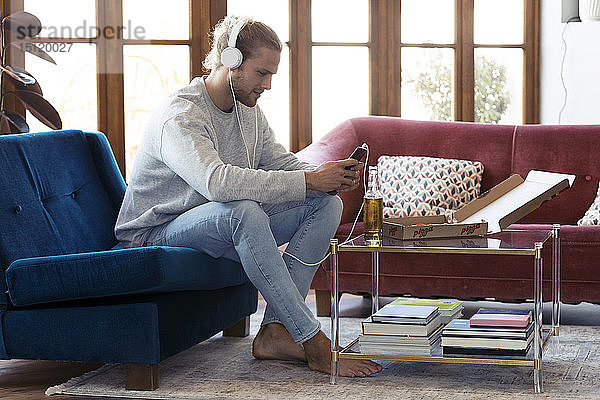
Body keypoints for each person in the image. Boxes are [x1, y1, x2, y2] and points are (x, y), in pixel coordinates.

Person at [115, 15, 381, 378]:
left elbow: (278, 161)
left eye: (272, 74)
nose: (268, 84)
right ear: (231, 61)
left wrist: (326, 177)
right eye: (262, 73)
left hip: (212, 225)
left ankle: (274, 331)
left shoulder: (248, 112)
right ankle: (313, 341)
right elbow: (217, 183)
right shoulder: (181, 115)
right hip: (154, 234)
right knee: (244, 211)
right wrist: (308, 180)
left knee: (325, 204)